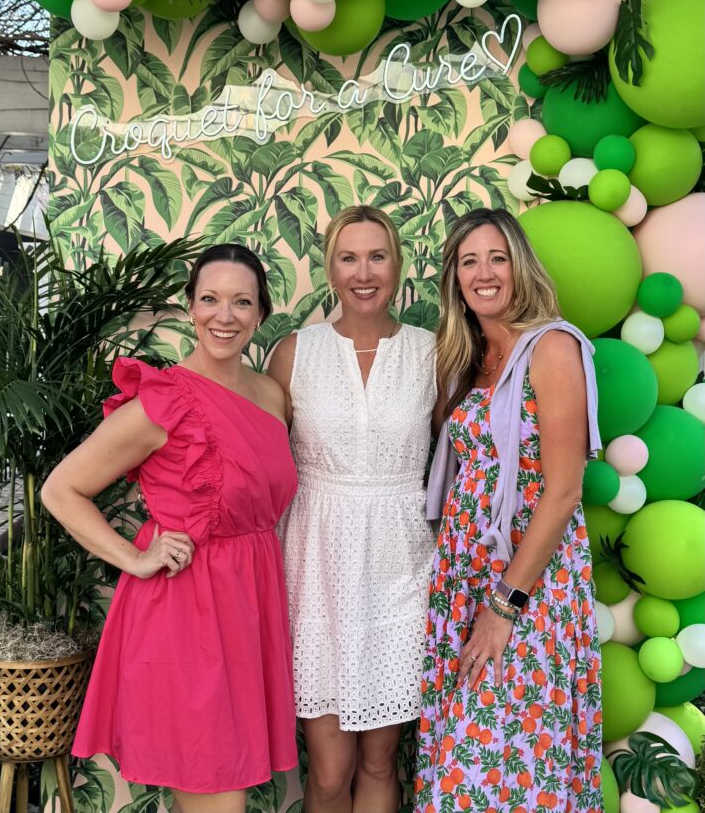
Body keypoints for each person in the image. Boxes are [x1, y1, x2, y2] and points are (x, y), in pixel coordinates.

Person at [41, 244, 298, 813]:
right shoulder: (166, 403)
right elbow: (60, 490)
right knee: (217, 796)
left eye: (240, 302)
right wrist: (133, 558)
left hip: (251, 608)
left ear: (260, 313)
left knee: (221, 789)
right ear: (190, 308)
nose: (223, 315)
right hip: (189, 615)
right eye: (209, 299)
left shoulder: (272, 395)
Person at [414, 208, 603, 813]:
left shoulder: (551, 347)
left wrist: (503, 605)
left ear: (519, 268)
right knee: (474, 761)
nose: (484, 273)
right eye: (470, 262)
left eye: (497, 258)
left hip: (526, 589)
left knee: (500, 766)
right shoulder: (466, 364)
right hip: (463, 584)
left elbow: (564, 491)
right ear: (456, 281)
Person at [268, 205, 437, 813]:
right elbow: (257, 461)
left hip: (402, 566)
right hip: (318, 568)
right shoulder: (293, 352)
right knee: (332, 769)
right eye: (348, 257)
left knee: (378, 761)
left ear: (397, 265)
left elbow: (458, 461)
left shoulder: (431, 353)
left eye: (376, 256)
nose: (363, 272)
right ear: (330, 269)